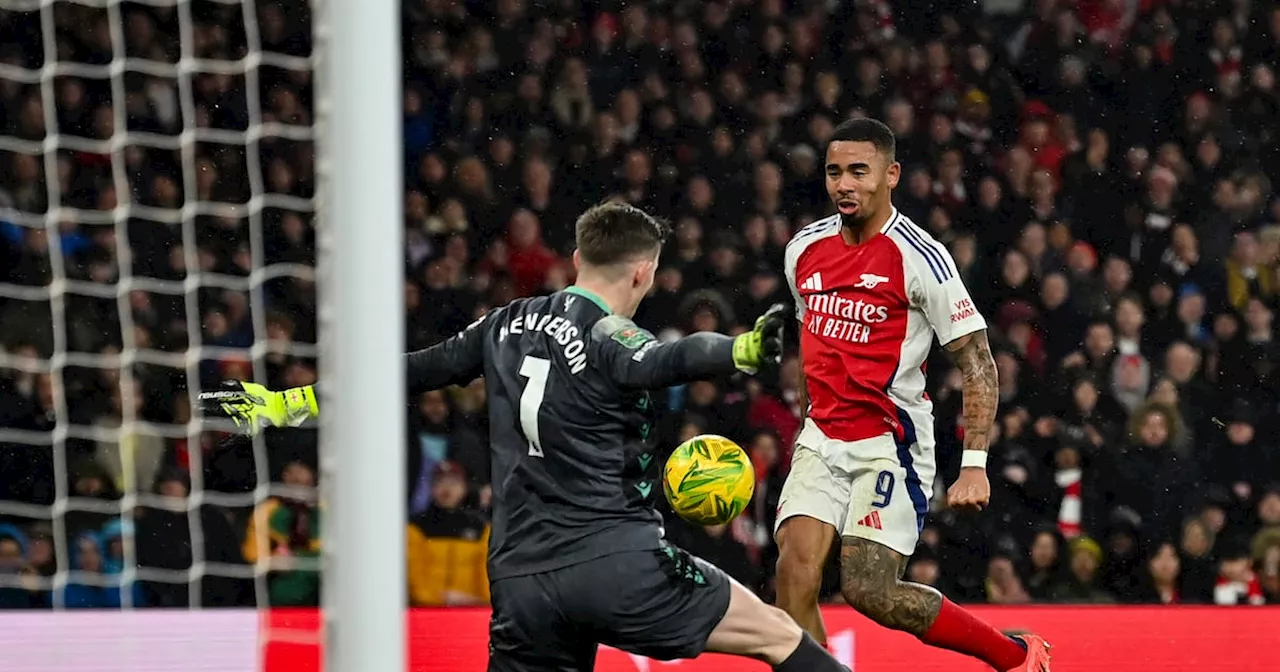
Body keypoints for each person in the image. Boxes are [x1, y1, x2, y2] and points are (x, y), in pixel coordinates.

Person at [200, 201, 848, 671]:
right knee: (775, 635)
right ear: (643, 274)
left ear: (575, 259)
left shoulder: (503, 322)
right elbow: (662, 361)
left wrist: (290, 403)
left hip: (521, 579)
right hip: (613, 560)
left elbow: (408, 373)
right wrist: (739, 350)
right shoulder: (611, 334)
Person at [773, 118, 1052, 671]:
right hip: (822, 436)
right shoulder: (802, 250)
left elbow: (978, 364)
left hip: (889, 444)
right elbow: (814, 341)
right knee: (792, 574)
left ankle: (1014, 656)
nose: (844, 184)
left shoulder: (921, 257)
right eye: (834, 173)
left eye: (859, 171)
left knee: (870, 589)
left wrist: (974, 464)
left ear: (890, 174)